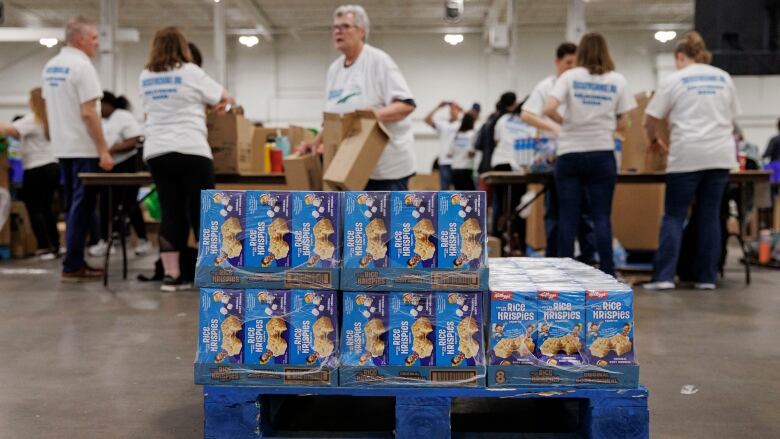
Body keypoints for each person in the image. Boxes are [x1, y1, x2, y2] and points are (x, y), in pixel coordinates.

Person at [643, 32, 741, 291]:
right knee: (709, 215)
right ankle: (706, 278)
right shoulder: (724, 77)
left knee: (674, 216)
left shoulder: (674, 79)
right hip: (720, 155)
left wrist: (654, 140)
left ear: (679, 56)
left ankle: (664, 277)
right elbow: (733, 119)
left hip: (687, 154)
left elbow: (650, 118)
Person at [139, 26, 233, 291]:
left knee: (171, 212)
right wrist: (219, 106)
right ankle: (208, 274)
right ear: (182, 46)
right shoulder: (191, 72)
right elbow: (225, 98)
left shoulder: (145, 76)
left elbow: (147, 112)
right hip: (191, 148)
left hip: (157, 151)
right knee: (203, 212)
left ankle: (172, 276)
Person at [544, 32, 636, 276]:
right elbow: (625, 121)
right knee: (601, 216)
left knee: (568, 217)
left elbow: (548, 108)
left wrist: (565, 123)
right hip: (601, 154)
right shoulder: (618, 80)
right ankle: (608, 271)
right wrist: (607, 127)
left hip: (570, 153)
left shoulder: (569, 77)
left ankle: (564, 274)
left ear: (581, 52)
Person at [296, 4, 416, 191]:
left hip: (386, 169)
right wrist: (316, 141)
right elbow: (334, 119)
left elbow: (406, 105)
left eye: (345, 26)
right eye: (335, 27)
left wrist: (375, 114)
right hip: (351, 166)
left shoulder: (378, 61)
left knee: (384, 220)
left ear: (362, 31)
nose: (338, 31)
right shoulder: (334, 70)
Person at [42, 16, 114, 281]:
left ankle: (75, 261)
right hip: (83, 149)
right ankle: (72, 265)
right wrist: (104, 150)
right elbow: (89, 113)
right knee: (81, 209)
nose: (97, 44)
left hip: (62, 148)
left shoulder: (50, 66)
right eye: (94, 38)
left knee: (73, 206)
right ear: (80, 39)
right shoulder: (82, 67)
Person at [521, 42, 596, 261]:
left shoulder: (583, 85)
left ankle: (588, 260)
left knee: (585, 212)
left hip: (582, 153)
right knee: (555, 211)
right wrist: (555, 127)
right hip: (554, 157)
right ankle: (555, 261)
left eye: (575, 64)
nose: (571, 68)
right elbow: (527, 114)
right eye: (567, 63)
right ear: (557, 62)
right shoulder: (547, 86)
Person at [0, 88, 60, 260]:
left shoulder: (33, 119)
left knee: (35, 209)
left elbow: (8, 130)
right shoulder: (52, 120)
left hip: (36, 168)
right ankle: (55, 245)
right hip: (52, 166)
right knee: (47, 208)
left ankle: (44, 246)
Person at [88, 91, 150, 257]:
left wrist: (111, 149)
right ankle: (107, 240)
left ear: (109, 104)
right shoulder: (101, 120)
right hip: (107, 165)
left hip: (127, 164)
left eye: (101, 106)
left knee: (130, 204)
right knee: (106, 205)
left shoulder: (122, 116)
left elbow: (134, 139)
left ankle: (143, 240)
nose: (99, 110)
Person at [491, 99, 536, 253]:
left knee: (499, 205)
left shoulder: (504, 119)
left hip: (499, 163)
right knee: (517, 208)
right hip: (518, 166)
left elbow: (496, 140)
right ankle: (520, 245)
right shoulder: (530, 124)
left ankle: (497, 246)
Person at [474, 92, 516, 176]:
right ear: (513, 103)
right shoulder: (509, 121)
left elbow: (478, 145)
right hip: (504, 161)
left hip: (487, 163)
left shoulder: (488, 121)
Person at [424, 101, 462, 190]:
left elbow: (472, 118)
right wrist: (437, 107)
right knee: (444, 190)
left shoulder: (461, 124)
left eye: (455, 109)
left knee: (458, 190)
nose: (453, 111)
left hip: (458, 162)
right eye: (451, 109)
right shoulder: (443, 124)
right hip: (444, 161)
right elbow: (426, 119)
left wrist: (461, 108)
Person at [447, 112, 477, 190]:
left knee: (458, 195)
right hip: (466, 167)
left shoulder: (456, 135)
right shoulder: (472, 134)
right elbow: (472, 153)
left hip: (455, 168)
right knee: (470, 194)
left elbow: (449, 154)